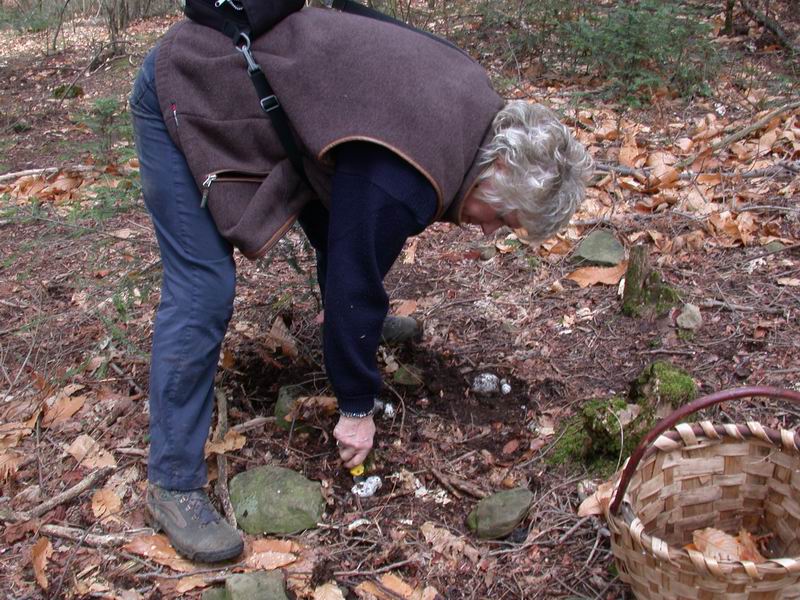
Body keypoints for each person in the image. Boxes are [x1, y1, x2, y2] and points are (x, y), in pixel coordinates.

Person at [129, 5, 593, 563]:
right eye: (505, 217)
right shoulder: (410, 173)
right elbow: (359, 256)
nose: (493, 230)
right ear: (498, 171)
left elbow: (357, 219)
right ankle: (173, 484)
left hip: (274, 93)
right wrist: (355, 406)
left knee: (344, 231)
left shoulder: (474, 106)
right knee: (202, 289)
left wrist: (357, 323)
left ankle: (348, 330)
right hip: (189, 91)